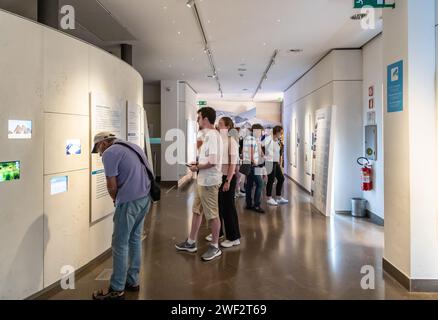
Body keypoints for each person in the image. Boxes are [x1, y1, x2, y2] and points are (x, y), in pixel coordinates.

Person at [91, 132, 152, 300]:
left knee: (119, 244)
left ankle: (117, 288)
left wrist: (114, 200)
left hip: (129, 202)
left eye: (98, 150)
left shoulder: (110, 153)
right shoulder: (132, 146)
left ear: (103, 144)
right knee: (134, 239)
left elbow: (111, 184)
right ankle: (132, 281)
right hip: (145, 197)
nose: (100, 154)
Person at [175, 107, 223, 261]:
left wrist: (197, 167)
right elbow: (207, 159)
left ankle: (215, 247)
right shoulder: (208, 136)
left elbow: (213, 161)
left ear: (206, 119)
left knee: (213, 215)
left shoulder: (213, 136)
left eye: (199, 117)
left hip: (209, 182)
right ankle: (191, 242)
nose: (197, 120)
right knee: (197, 211)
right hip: (203, 180)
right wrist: (197, 163)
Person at [217, 117, 241, 248]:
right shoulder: (222, 141)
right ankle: (220, 232)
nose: (218, 126)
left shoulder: (232, 142)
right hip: (221, 177)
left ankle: (234, 237)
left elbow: (232, 164)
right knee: (221, 207)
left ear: (227, 127)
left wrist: (228, 181)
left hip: (227, 178)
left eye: (220, 124)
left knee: (228, 208)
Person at [243, 124, 265, 214]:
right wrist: (256, 163)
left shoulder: (253, 139)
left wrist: (263, 155)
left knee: (249, 185)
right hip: (253, 165)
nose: (261, 133)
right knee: (260, 184)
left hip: (251, 165)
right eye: (260, 131)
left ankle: (249, 204)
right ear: (256, 130)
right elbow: (251, 153)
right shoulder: (251, 139)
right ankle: (256, 205)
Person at [264, 126, 289, 206]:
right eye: (281, 132)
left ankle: (278, 197)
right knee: (271, 180)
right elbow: (261, 147)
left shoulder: (277, 140)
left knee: (281, 178)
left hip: (275, 162)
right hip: (269, 162)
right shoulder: (269, 139)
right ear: (276, 132)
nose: (281, 134)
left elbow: (278, 152)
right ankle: (269, 198)